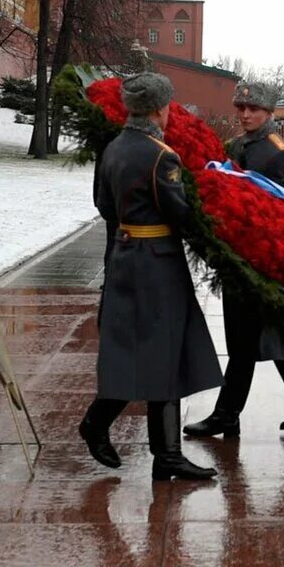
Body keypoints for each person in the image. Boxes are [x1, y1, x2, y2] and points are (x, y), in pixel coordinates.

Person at [79, 72, 223, 481]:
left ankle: (167, 453)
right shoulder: (162, 156)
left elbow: (104, 205)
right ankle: (106, 428)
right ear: (161, 109)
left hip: (125, 257)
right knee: (166, 348)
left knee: (135, 349)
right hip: (158, 262)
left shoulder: (112, 149)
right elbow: (179, 214)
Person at [184, 82, 284, 439]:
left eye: (253, 110)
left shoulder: (279, 154)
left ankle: (230, 414)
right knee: (245, 340)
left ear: (269, 113)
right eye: (241, 108)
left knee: (257, 339)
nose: (245, 115)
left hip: (263, 258)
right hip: (239, 254)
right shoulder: (235, 147)